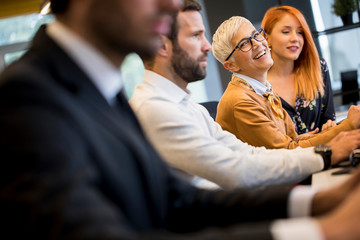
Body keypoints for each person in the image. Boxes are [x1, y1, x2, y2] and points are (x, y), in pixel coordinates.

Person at [2, 0, 360, 239]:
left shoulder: (102, 89)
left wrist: (317, 203)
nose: (170, 5)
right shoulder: (25, 98)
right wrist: (323, 230)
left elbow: (178, 200)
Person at [129, 1, 360, 190]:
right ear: (162, 45)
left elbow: (249, 154)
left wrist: (331, 145)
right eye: (196, 36)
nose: (207, 46)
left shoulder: (189, 106)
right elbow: (237, 170)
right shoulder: (155, 109)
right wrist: (328, 151)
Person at [212, 16, 360, 150]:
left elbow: (294, 139)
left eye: (256, 35)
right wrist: (349, 125)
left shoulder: (262, 90)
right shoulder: (240, 102)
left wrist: (336, 130)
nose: (257, 44)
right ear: (231, 66)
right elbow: (288, 151)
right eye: (244, 44)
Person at [261, 6, 336, 135]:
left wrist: (330, 127)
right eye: (286, 32)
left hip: (324, 152)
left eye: (300, 32)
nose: (295, 38)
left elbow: (329, 119)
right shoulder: (257, 86)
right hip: (284, 155)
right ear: (267, 38)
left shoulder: (318, 68)